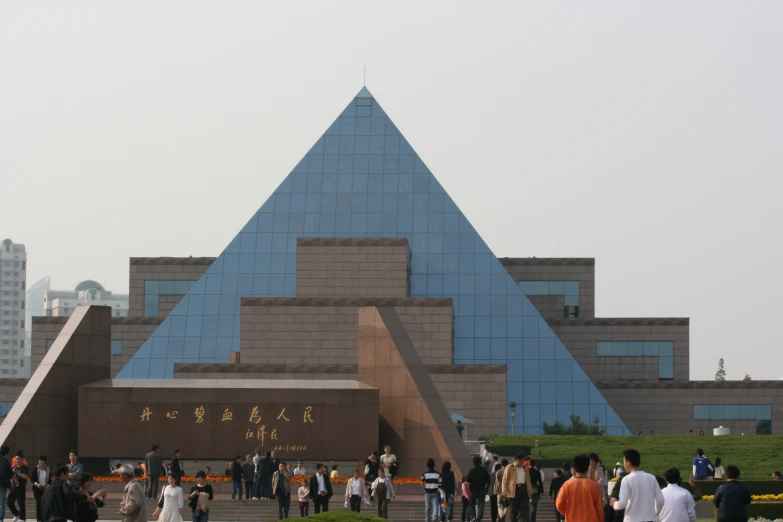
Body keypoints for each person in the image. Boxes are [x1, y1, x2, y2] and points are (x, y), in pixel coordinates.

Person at [610, 449, 665, 522]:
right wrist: (656, 513)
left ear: (628, 462)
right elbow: (660, 500)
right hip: (649, 519)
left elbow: (622, 503)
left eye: (624, 461)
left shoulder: (626, 479)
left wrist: (614, 503)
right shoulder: (651, 478)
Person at [556, 454, 604, 522]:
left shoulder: (567, 484)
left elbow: (559, 504)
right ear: (588, 468)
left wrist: (569, 513)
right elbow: (599, 509)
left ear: (574, 469)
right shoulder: (594, 485)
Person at [501, 453, 533, 522]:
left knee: (525, 510)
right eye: (522, 461)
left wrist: (530, 491)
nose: (523, 463)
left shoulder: (525, 468)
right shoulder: (509, 467)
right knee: (513, 512)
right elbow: (504, 481)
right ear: (517, 460)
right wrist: (504, 493)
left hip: (524, 490)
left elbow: (528, 480)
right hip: (513, 491)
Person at [467, 455, 490, 522]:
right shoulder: (484, 470)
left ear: (474, 462)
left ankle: (473, 516)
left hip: (473, 490)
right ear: (480, 462)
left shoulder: (472, 470)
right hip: (482, 490)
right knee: (481, 504)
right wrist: (486, 490)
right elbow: (488, 480)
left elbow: (468, 480)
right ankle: (479, 517)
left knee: (471, 504)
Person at [8, 450, 30, 522]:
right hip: (14, 488)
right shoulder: (13, 467)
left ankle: (22, 518)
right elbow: (11, 476)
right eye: (16, 459)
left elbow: (25, 476)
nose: (17, 460)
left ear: (22, 459)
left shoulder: (25, 468)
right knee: (9, 501)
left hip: (21, 488)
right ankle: (17, 514)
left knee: (21, 504)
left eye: (19, 459)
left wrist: (17, 472)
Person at [422, 457, 442, 522]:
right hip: (435, 492)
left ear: (427, 465)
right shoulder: (438, 474)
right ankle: (434, 518)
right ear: (434, 465)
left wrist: (424, 489)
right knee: (435, 506)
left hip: (427, 492)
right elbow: (440, 484)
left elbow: (422, 483)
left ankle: (427, 519)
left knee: (427, 507)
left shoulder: (424, 474)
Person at [32, 455, 51, 522]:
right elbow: (32, 479)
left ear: (45, 461)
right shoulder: (35, 469)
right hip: (37, 489)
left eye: (42, 460)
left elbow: (49, 480)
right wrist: (37, 484)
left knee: (45, 503)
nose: (40, 462)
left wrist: (48, 486)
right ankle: (39, 519)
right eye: (39, 460)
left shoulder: (48, 469)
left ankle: (44, 518)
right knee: (39, 503)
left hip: (45, 489)